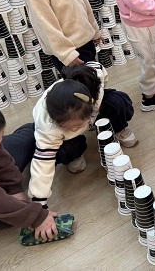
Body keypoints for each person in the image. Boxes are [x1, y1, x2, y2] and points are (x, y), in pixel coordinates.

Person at [28, 62, 135, 205]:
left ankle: (118, 128)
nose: (74, 129)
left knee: (117, 101)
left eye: (77, 125)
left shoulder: (93, 78)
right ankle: (74, 155)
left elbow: (100, 71)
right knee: (62, 150)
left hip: (89, 109)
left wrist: (97, 108)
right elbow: (42, 166)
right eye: (68, 127)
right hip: (60, 129)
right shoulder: (47, 129)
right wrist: (38, 204)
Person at [0, 97, 58, 240]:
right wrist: (36, 216)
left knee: (27, 140)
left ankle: (25, 133)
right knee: (8, 218)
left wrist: (14, 189)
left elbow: (3, 162)